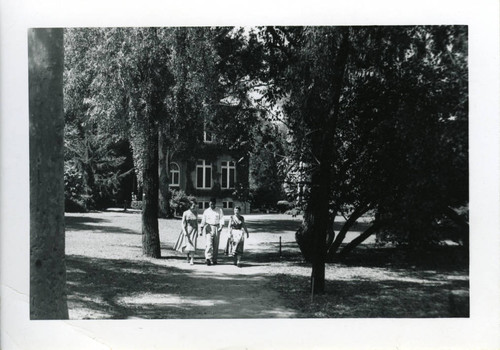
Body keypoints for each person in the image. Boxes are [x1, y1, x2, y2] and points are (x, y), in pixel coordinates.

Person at [200, 198, 224, 266]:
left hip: (216, 227)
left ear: (215, 204)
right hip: (208, 227)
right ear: (209, 204)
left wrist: (221, 227)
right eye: (210, 204)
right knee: (209, 244)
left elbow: (222, 219)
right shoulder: (206, 211)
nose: (211, 205)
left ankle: (214, 259)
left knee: (215, 244)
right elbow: (203, 220)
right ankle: (208, 258)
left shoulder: (219, 210)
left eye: (213, 204)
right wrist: (201, 229)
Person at [173, 199, 199, 265]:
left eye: (194, 205)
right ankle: (187, 256)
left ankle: (192, 259)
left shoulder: (196, 212)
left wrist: (198, 231)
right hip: (187, 230)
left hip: (194, 230)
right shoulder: (185, 213)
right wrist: (184, 231)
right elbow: (183, 223)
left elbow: (196, 223)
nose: (193, 206)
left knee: (193, 244)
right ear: (189, 206)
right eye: (192, 205)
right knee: (187, 244)